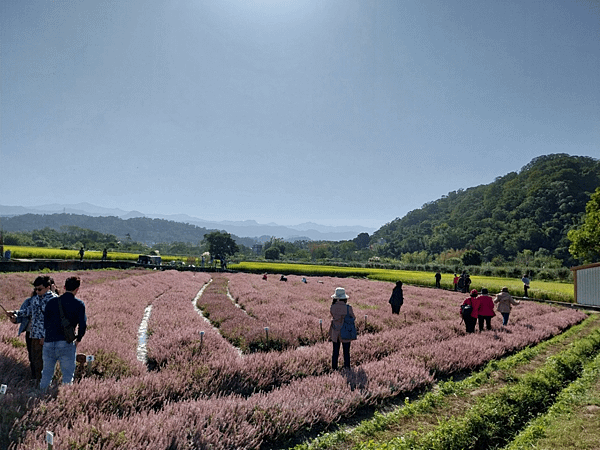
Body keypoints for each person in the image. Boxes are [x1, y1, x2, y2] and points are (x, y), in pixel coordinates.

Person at [6, 276, 58, 382]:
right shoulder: (35, 299)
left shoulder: (53, 300)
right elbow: (29, 310)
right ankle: (36, 380)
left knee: (43, 361)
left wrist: (46, 336)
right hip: (33, 334)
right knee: (34, 359)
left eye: (40, 289)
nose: (37, 291)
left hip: (45, 337)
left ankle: (43, 383)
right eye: (36, 289)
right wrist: (15, 312)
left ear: (48, 287)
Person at [40, 276, 87, 389]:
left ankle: (41, 396)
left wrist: (45, 337)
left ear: (64, 287)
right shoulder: (79, 304)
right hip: (66, 343)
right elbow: (83, 325)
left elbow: (45, 322)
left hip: (49, 342)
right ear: (77, 289)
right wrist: (78, 339)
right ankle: (64, 399)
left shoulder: (51, 302)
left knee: (46, 374)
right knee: (67, 376)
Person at [329, 287, 355, 370]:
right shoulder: (348, 307)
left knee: (335, 352)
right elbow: (353, 318)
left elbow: (333, 316)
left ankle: (334, 368)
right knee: (346, 352)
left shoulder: (332, 307)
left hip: (335, 332)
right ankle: (347, 368)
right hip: (345, 331)